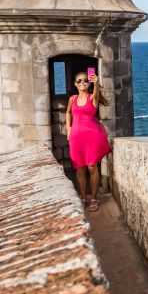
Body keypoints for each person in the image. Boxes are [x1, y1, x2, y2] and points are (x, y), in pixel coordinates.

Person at [65, 70, 112, 212]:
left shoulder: (92, 98)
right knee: (79, 169)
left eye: (85, 80)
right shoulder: (72, 99)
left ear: (89, 82)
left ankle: (94, 198)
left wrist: (97, 83)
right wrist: (68, 129)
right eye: (79, 81)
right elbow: (67, 112)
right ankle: (83, 198)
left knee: (92, 167)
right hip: (76, 138)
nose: (82, 82)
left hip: (91, 137)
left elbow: (97, 93)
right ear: (75, 84)